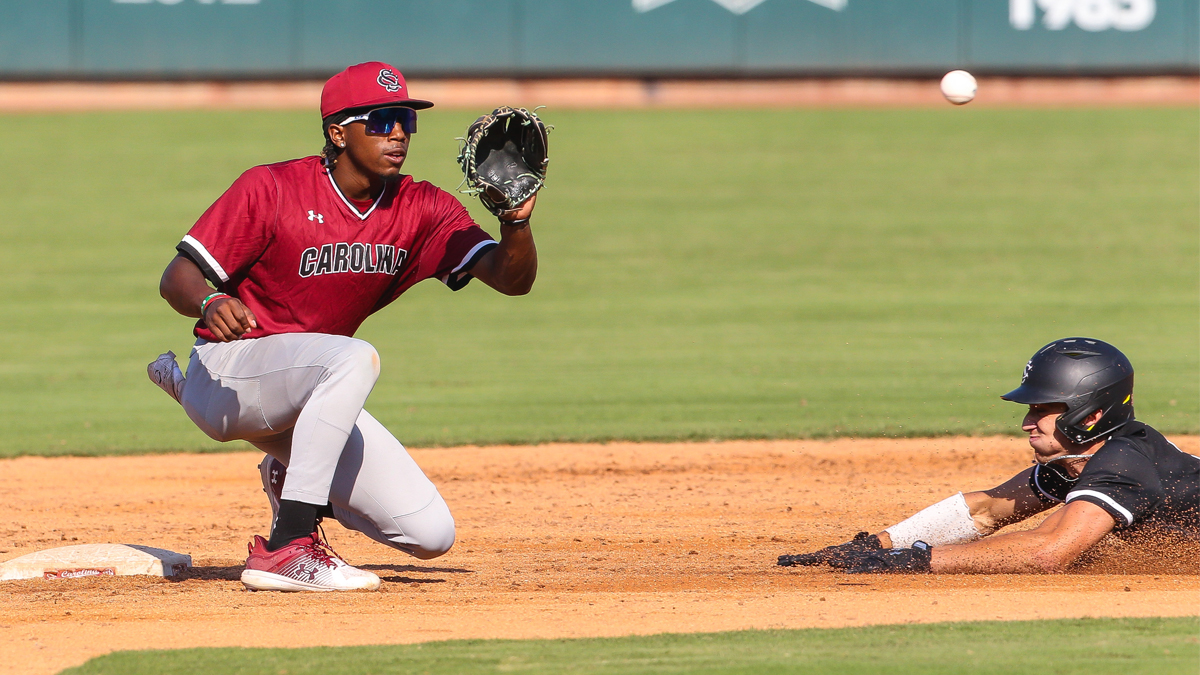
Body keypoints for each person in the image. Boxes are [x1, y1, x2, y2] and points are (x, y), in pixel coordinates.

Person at [147, 62, 539, 592]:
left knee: (430, 532)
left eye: (405, 119)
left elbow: (511, 279)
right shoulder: (272, 188)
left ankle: (290, 479)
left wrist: (515, 221)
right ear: (338, 132)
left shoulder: (422, 208)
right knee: (353, 356)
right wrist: (211, 299)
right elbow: (178, 276)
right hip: (228, 374)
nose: (398, 132)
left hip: (310, 393)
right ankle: (288, 545)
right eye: (380, 121)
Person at [778, 337, 1198, 574]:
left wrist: (913, 560)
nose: (1027, 424)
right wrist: (874, 544)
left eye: (1043, 410)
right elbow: (985, 511)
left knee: (1062, 532)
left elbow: (1046, 553)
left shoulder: (1123, 463)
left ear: (1092, 415)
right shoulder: (1079, 459)